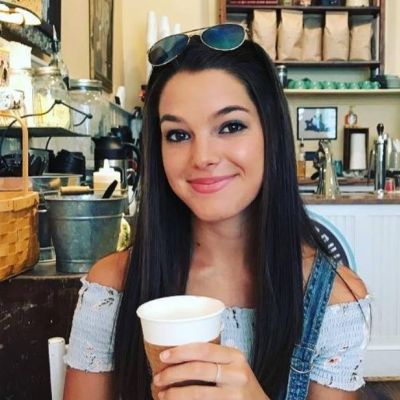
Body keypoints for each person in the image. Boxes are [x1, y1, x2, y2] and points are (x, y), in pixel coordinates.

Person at [63, 24, 370, 400]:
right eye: (178, 135)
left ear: (271, 134)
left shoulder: (335, 301)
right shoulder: (111, 288)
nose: (203, 157)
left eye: (230, 126)